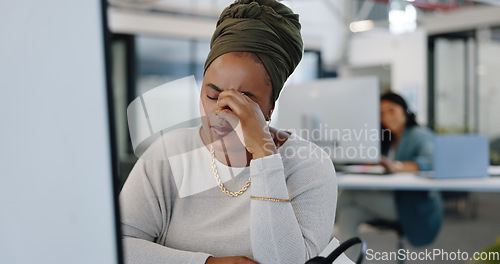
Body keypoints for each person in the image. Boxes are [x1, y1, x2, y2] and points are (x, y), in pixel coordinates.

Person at [119, 1, 337, 264]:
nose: (221, 113)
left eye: (242, 102)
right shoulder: (169, 153)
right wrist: (208, 263)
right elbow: (118, 245)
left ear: (269, 108)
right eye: (212, 95)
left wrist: (264, 154)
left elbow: (285, 261)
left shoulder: (308, 165)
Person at [335, 92, 442, 255]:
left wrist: (396, 166)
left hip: (411, 206)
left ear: (405, 111)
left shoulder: (419, 135)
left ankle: (310, 236)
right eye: (382, 113)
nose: (386, 117)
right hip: (389, 199)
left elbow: (430, 162)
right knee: (348, 215)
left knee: (350, 194)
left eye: (391, 110)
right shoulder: (390, 139)